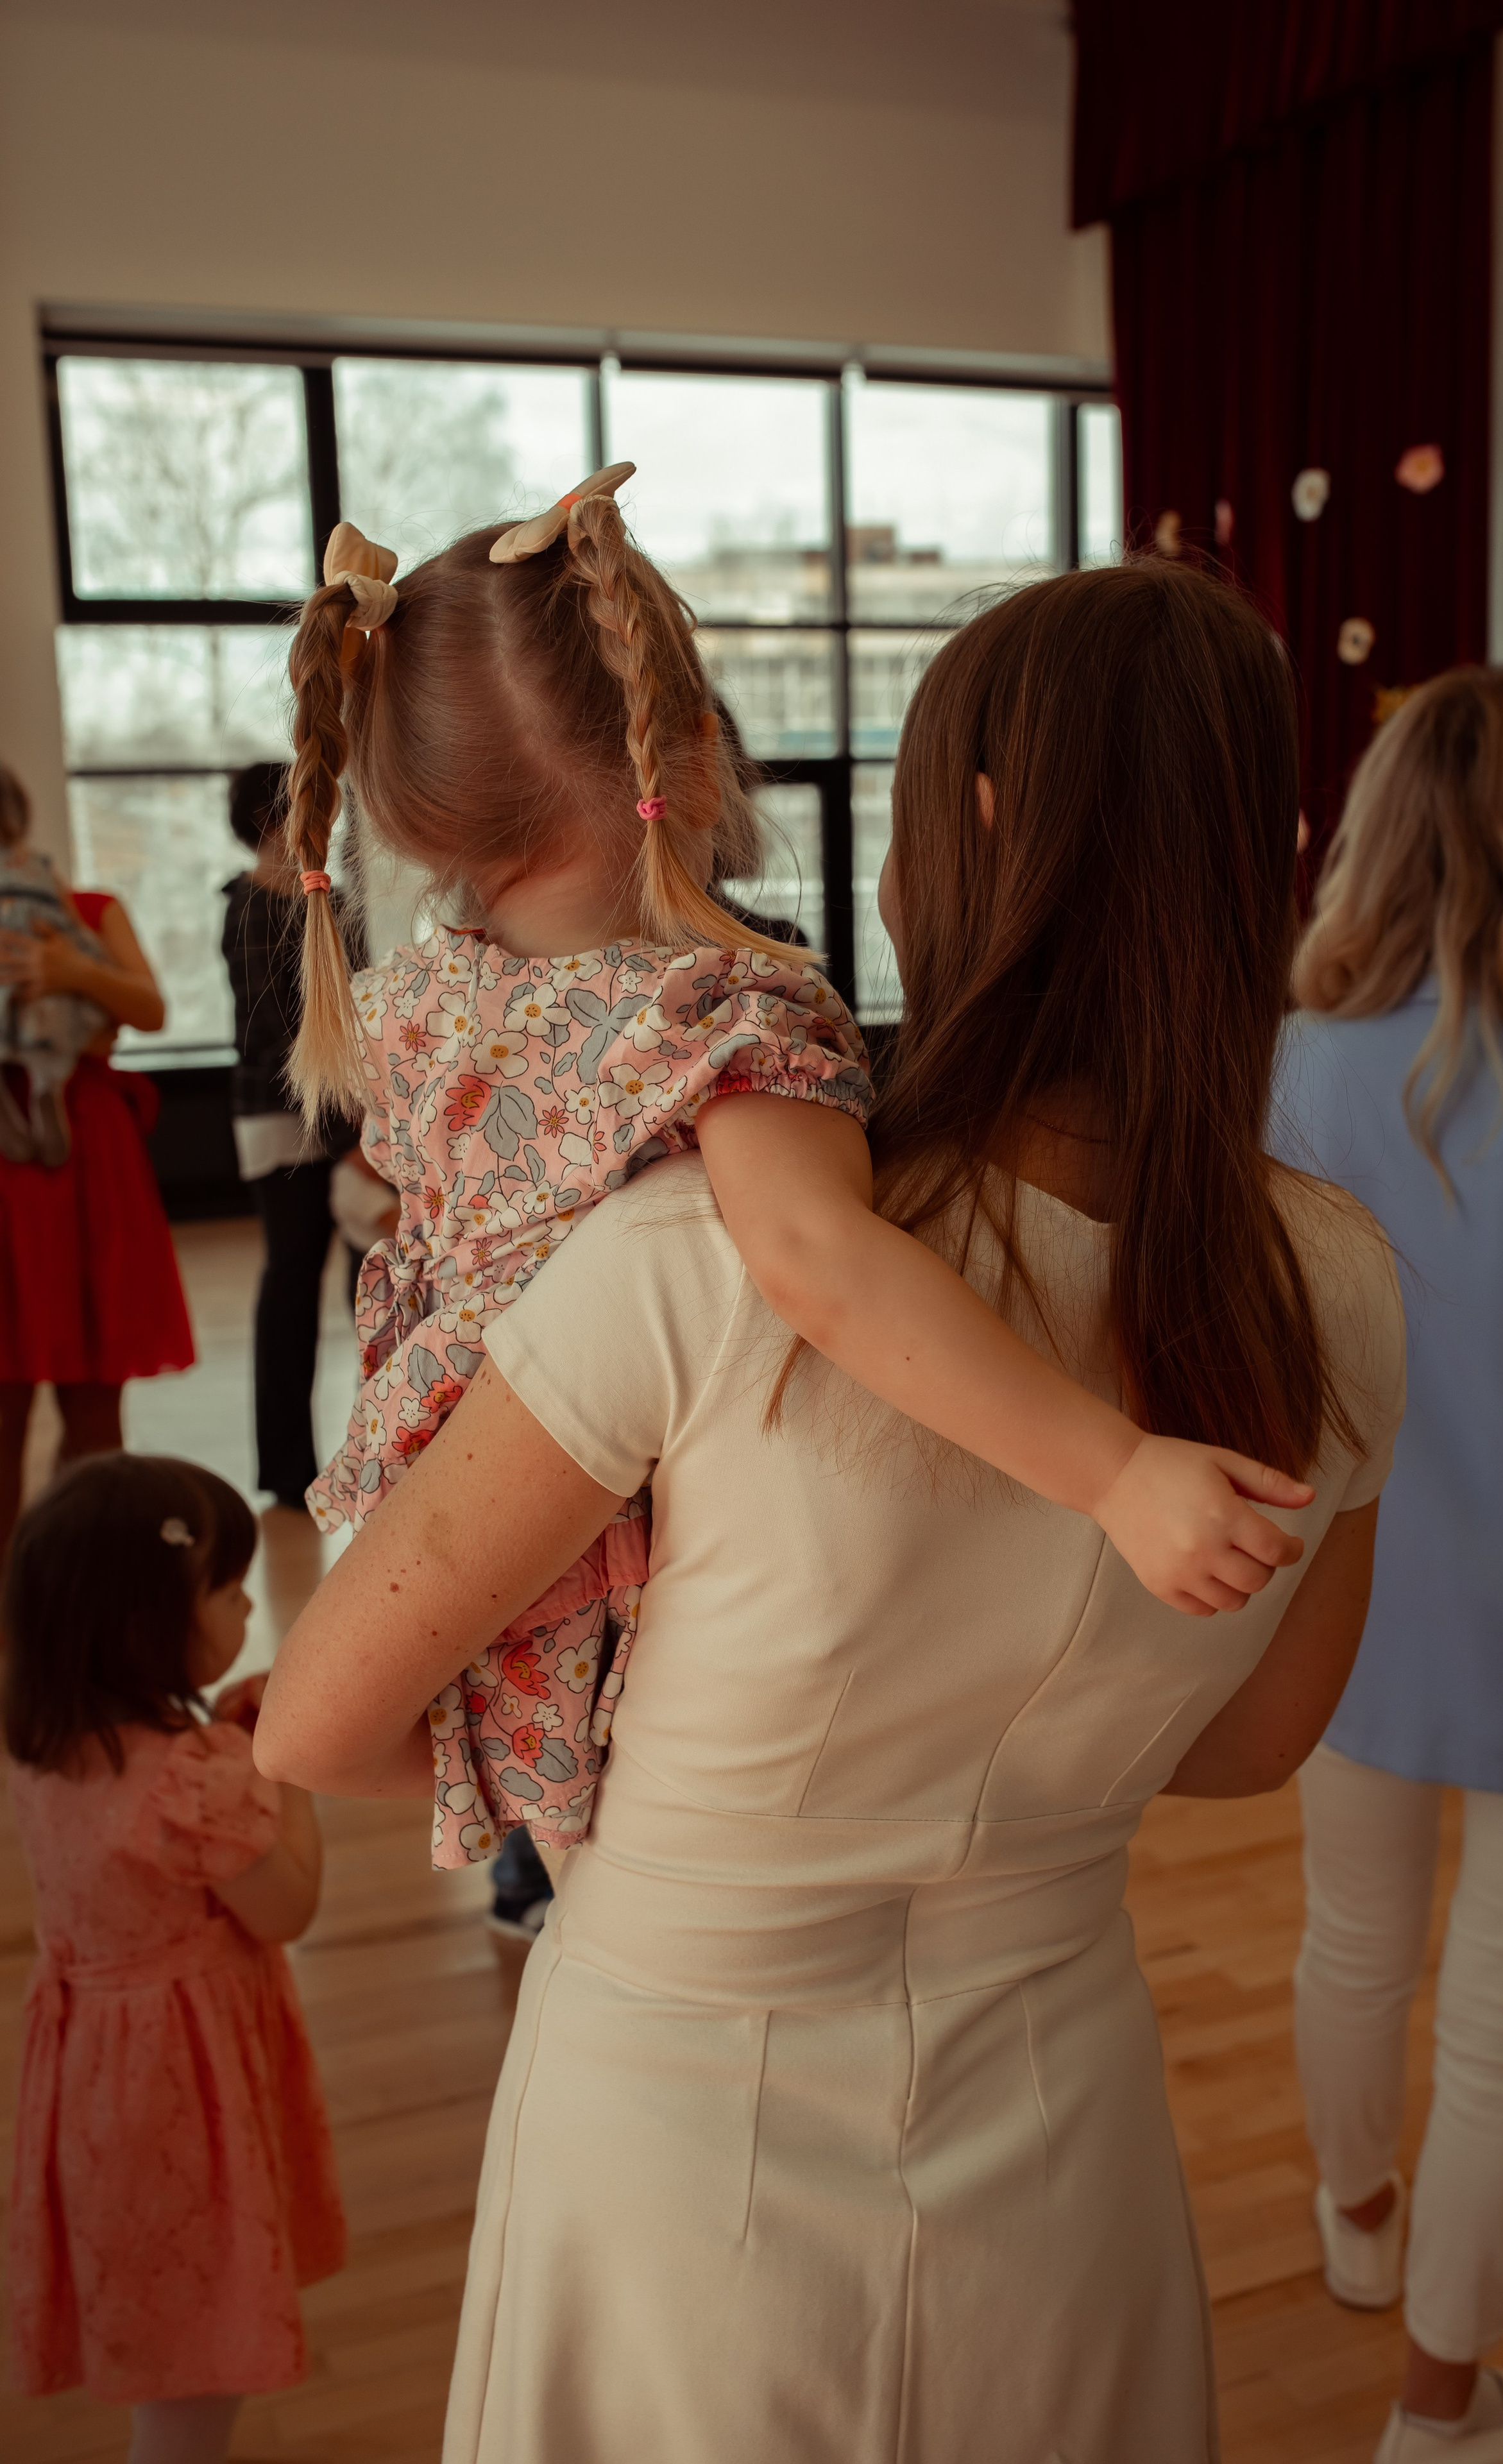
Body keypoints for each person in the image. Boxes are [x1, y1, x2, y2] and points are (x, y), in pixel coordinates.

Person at [256, 557, 1407, 2462]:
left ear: (957, 833)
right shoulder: (1340, 1284)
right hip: (1065, 2125)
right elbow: (1258, 1734)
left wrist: (614, 1762)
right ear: (1259, 846)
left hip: (679, 2135)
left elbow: (316, 1717)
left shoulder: (691, 1253)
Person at [282, 473, 1316, 1872]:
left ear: (409, 818)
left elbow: (313, 1735)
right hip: (617, 1586)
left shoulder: (419, 1008)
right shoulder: (720, 1025)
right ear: (693, 756)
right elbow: (818, 1263)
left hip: (461, 1559)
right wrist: (1117, 1472)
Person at [1280, 668, 1503, 2464]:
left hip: (1339, 1616)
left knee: (1351, 1938)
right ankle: (1442, 2414)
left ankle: (1359, 2230)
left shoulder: (1284, 1070)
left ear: (1378, 845)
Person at [3, 1451, 346, 2464]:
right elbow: (287, 1906)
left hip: (96, 2078)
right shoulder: (189, 1784)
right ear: (142, 1626)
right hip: (185, 2089)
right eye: (229, 1589)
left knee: (154, 2307)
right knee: (201, 2363)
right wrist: (289, 1769)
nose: (249, 1605)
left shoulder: (49, 1738)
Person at [0, 764, 194, 1552]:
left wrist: (73, 972)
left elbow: (149, 1008)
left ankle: (88, 1580)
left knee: (94, 1395)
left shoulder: (89, 912)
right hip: (13, 1159)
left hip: (86, 1155)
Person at [221, 759, 375, 1511]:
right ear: (274, 819)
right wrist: (354, 1125)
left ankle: (379, 1449)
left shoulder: (330, 903)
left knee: (363, 1285)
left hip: (340, 1119)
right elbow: (279, 1036)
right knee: (292, 1283)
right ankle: (289, 1470)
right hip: (290, 1123)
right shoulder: (250, 907)